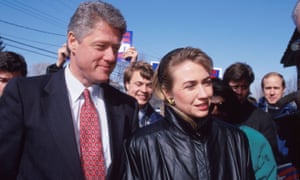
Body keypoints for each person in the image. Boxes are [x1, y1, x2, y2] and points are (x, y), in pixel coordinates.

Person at [0, 1, 138, 180]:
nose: (111, 57)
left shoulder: (127, 106)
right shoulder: (25, 95)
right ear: (73, 42)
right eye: (101, 46)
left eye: (116, 48)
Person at [124, 47, 255, 179]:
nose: (204, 94)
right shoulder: (143, 144)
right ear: (167, 92)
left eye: (206, 83)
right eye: (190, 86)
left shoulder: (235, 139)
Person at [211, 78, 277, 180]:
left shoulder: (253, 140)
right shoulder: (183, 140)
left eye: (221, 106)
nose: (215, 112)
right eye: (209, 106)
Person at [222, 62, 279, 161]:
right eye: (235, 87)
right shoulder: (217, 115)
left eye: (244, 87)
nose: (239, 92)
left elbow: (269, 156)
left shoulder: (263, 119)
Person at [258, 72, 300, 177]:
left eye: (276, 88)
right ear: (263, 89)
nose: (272, 92)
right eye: (268, 88)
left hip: (289, 169)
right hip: (262, 171)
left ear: (283, 89)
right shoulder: (253, 113)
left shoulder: (293, 114)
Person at [124, 60, 162, 127]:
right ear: (127, 84)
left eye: (149, 86)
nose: (144, 90)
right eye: (139, 84)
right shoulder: (111, 114)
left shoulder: (158, 122)